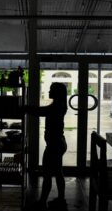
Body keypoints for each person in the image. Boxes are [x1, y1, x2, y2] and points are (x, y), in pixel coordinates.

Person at [24, 82, 68, 210]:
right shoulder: (59, 105)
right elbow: (42, 110)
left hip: (54, 145)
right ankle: (61, 199)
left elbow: (40, 111)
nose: (49, 91)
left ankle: (42, 202)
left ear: (57, 93)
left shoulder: (56, 107)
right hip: (59, 143)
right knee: (58, 172)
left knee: (47, 174)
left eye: (51, 89)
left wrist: (26, 108)